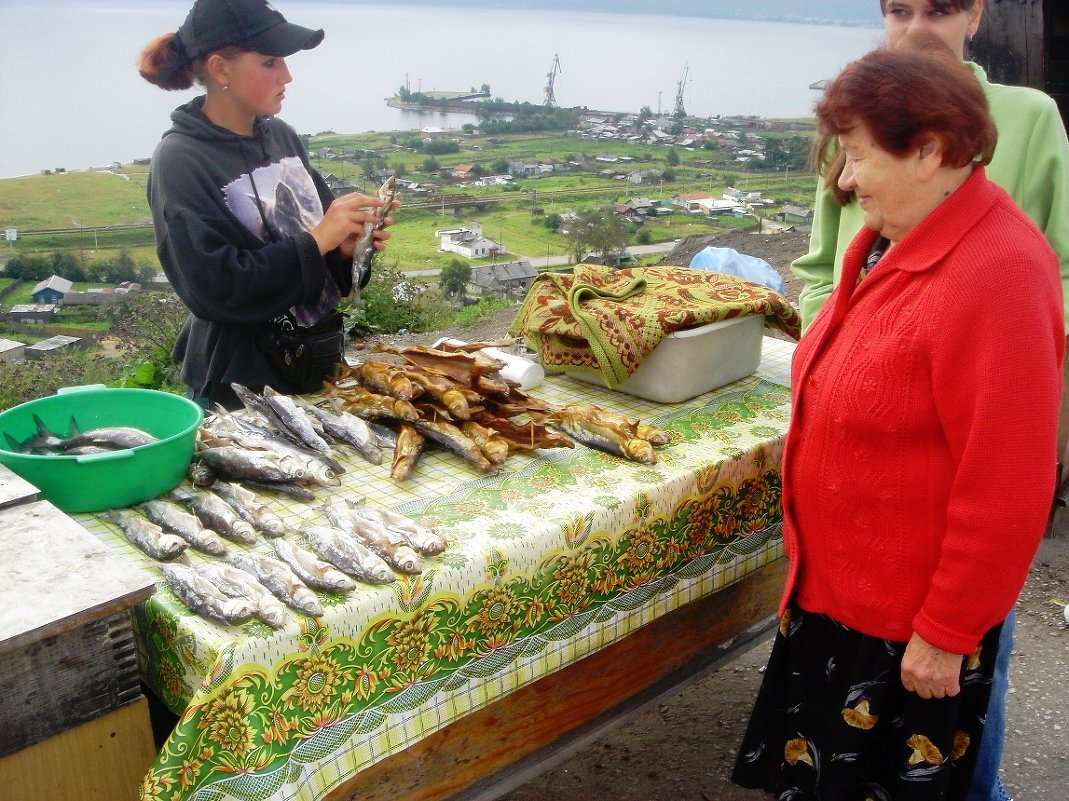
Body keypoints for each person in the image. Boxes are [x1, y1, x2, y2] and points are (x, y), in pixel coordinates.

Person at [731, 40, 1064, 800]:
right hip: (836, 606)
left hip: (901, 634)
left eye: (854, 155)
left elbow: (1008, 483)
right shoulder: (891, 239)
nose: (843, 179)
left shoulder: (999, 272)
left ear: (929, 152)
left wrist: (946, 634)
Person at [138, 0, 397, 409]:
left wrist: (345, 250)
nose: (288, 75)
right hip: (238, 392)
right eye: (271, 62)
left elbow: (321, 259)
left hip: (315, 371)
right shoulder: (180, 160)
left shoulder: (282, 138)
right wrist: (318, 242)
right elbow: (214, 290)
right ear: (221, 69)